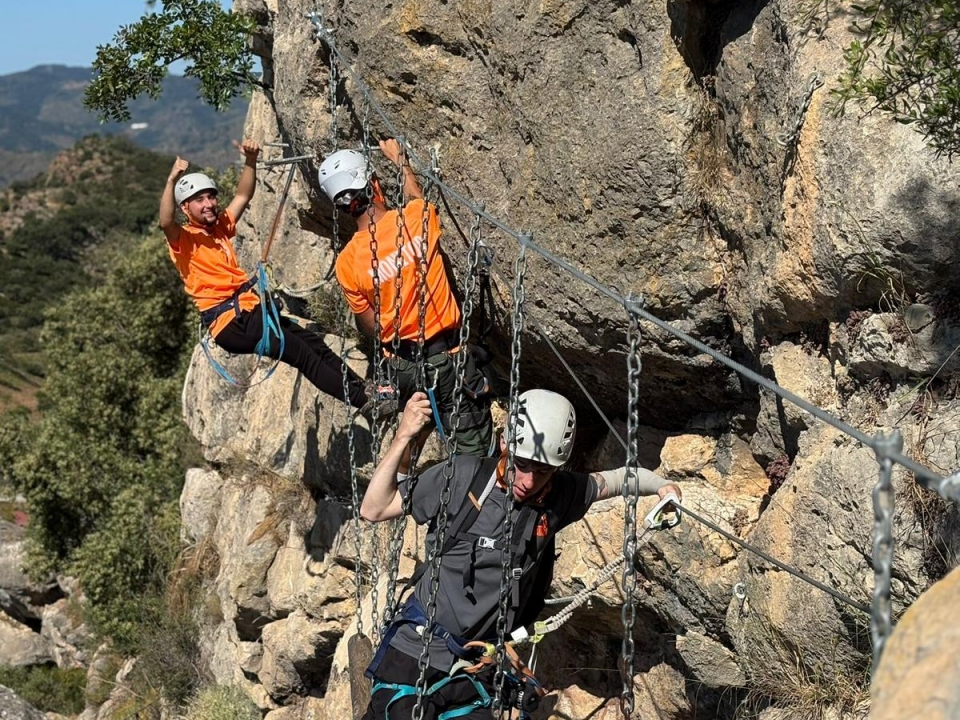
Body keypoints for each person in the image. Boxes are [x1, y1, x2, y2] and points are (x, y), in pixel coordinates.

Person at [358, 388, 683, 720]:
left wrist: (663, 486)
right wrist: (403, 436)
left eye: (541, 470)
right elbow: (374, 507)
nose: (528, 481)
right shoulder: (459, 478)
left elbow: (616, 481)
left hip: (474, 666)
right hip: (415, 653)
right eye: (521, 465)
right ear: (504, 444)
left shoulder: (559, 495)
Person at [159, 140, 393, 414]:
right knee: (303, 355)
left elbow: (243, 196)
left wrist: (250, 160)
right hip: (230, 321)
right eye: (200, 200)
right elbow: (165, 221)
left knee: (311, 342)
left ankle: (364, 389)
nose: (209, 203)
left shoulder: (220, 228)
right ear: (185, 208)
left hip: (247, 312)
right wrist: (172, 179)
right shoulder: (183, 240)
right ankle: (365, 402)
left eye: (211, 197)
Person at [319, 139, 492, 456]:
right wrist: (400, 160)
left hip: (404, 368)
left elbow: (372, 327)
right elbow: (416, 196)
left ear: (340, 206)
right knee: (475, 448)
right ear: (373, 183)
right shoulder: (415, 220)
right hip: (448, 357)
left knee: (421, 423)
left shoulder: (346, 263)